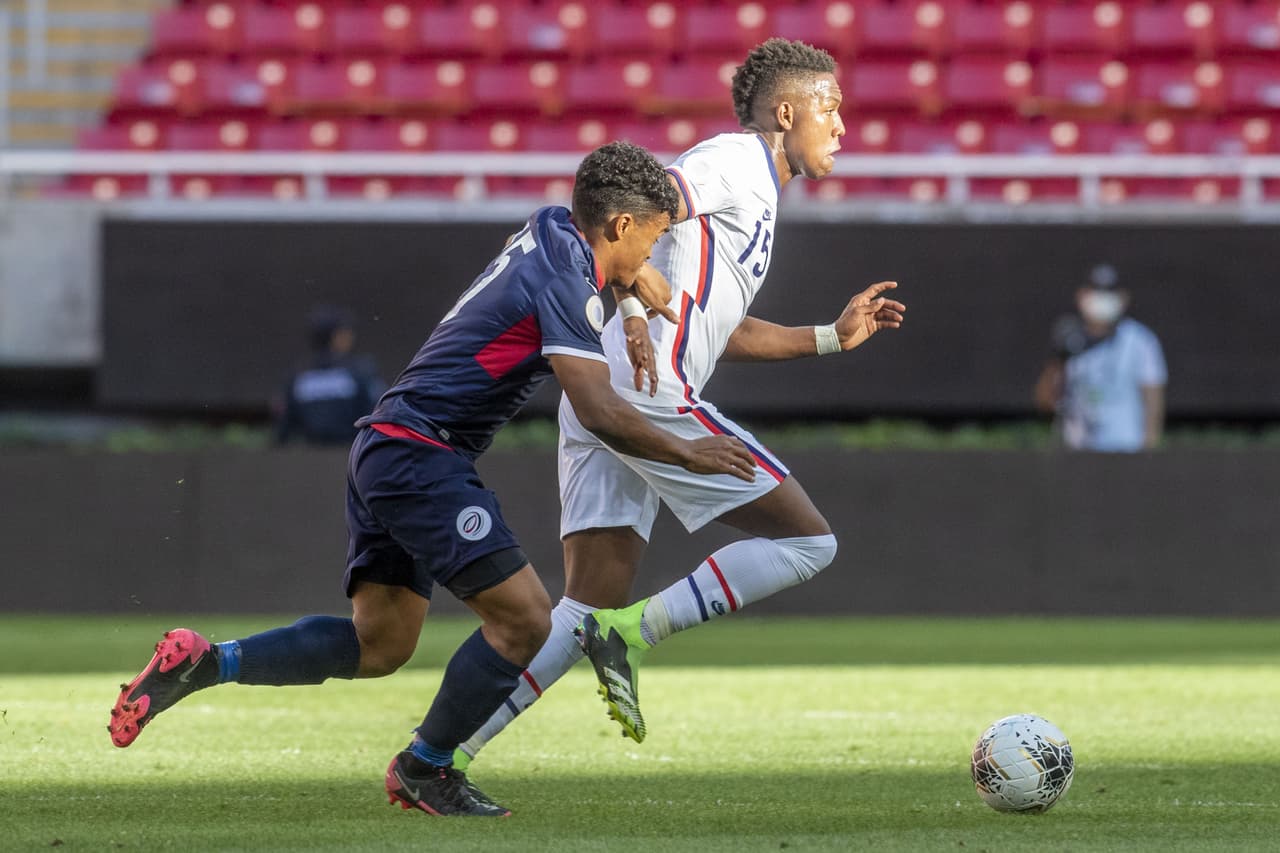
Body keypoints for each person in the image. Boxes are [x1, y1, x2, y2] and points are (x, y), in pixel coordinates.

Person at [107, 142, 757, 818]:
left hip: (384, 445)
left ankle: (207, 662)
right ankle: (426, 767)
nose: (653, 254)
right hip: (422, 454)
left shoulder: (548, 226)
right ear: (621, 224)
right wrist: (689, 452)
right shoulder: (566, 286)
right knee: (527, 620)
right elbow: (597, 409)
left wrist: (630, 291)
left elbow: (599, 260)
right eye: (653, 238)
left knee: (381, 643)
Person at [456, 38, 906, 767]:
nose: (842, 126)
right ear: (786, 113)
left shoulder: (757, 193)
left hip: (611, 385)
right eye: (830, 108)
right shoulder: (735, 161)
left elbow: (719, 327)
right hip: (649, 389)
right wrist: (633, 308)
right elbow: (623, 215)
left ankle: (441, 756)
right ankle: (635, 632)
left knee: (583, 606)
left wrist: (829, 337)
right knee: (808, 543)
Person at [1034, 263, 1167, 452]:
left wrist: (1148, 449)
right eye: (1096, 292)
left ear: (1123, 298)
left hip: (1126, 451)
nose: (1102, 300)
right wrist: (1058, 360)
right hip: (1078, 453)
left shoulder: (1140, 340)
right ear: (1081, 296)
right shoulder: (1070, 340)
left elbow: (1153, 400)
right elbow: (1046, 403)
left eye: (1109, 293)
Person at [274, 306, 385, 446]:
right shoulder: (359, 371)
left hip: (312, 454)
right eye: (346, 332)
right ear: (336, 337)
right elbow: (378, 413)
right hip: (353, 450)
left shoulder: (297, 376)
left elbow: (284, 427)